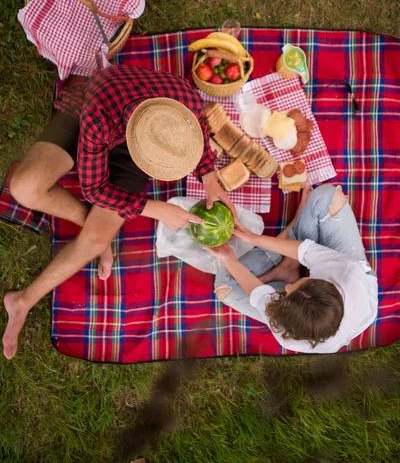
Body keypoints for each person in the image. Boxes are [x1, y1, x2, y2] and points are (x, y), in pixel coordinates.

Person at [2, 66, 235, 359]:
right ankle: (95, 229)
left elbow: (197, 131)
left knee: (96, 242)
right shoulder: (99, 116)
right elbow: (95, 189)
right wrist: (156, 209)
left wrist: (210, 179)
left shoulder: (185, 101)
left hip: (133, 136)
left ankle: (23, 301)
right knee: (25, 188)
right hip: (86, 117)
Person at [203, 183, 378, 354]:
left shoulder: (286, 331)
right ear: (327, 281)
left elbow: (259, 295)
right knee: (326, 197)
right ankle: (288, 263)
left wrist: (228, 258)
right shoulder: (347, 271)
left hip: (316, 303)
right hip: (348, 273)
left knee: (225, 287)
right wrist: (253, 238)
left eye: (286, 292)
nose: (286, 287)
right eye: (299, 282)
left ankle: (290, 249)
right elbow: (303, 250)